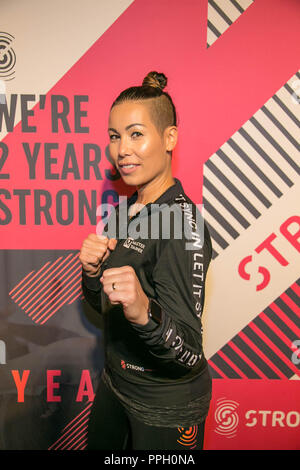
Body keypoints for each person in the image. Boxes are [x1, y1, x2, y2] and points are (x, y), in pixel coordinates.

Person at [79, 71, 213, 450]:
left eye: (136, 134)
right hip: (116, 384)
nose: (122, 149)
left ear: (169, 138)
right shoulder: (125, 210)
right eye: (115, 136)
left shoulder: (183, 224)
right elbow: (104, 303)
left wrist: (143, 310)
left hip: (164, 402)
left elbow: (187, 353)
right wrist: (92, 275)